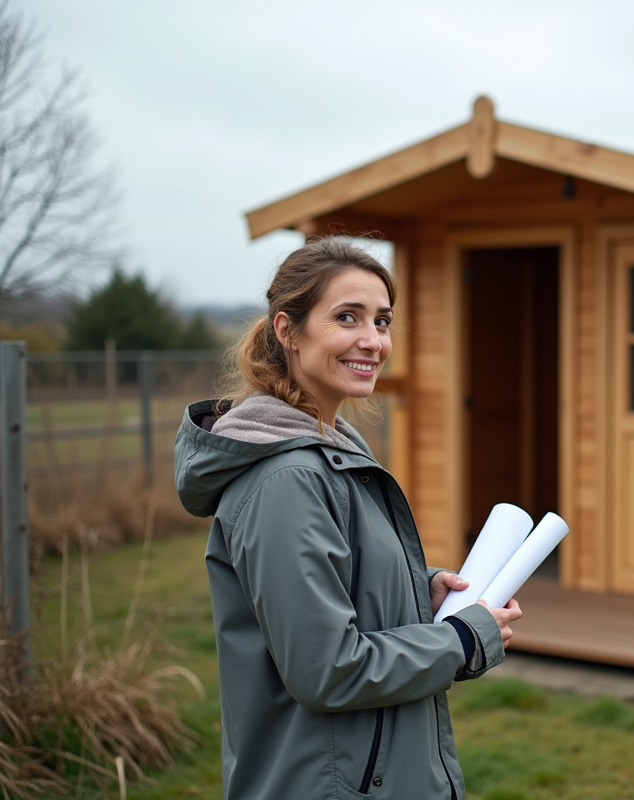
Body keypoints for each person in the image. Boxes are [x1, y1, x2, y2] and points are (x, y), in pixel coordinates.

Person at [175, 236, 522, 800]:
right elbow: (327, 669)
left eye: (382, 321)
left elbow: (337, 599)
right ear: (288, 331)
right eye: (347, 317)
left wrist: (418, 593)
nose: (372, 341)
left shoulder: (330, 455)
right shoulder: (286, 481)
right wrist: (461, 638)